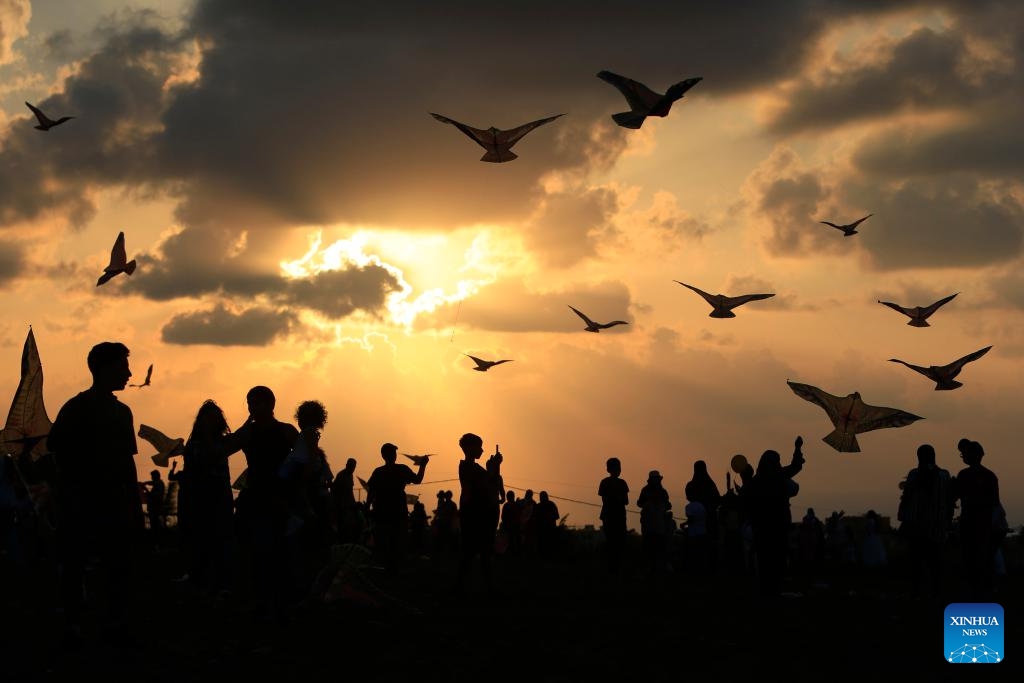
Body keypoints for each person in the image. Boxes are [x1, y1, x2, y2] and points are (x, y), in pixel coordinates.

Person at [47, 342, 142, 645]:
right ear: (103, 369)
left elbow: (128, 464)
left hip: (112, 504)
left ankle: (112, 624)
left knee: (116, 569)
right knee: (76, 566)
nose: (129, 373)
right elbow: (57, 454)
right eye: (122, 366)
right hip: (82, 504)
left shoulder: (121, 412)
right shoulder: (76, 409)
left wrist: (133, 505)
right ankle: (74, 624)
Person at [233, 385, 298, 621]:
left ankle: (280, 604)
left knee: (281, 554)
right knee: (258, 554)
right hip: (257, 499)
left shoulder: (287, 431)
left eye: (255, 402)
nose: (251, 407)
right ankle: (263, 604)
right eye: (249, 402)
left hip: (281, 500)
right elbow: (225, 447)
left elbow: (306, 461)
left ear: (270, 404)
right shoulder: (248, 433)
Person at [177, 400, 244, 594]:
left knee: (221, 546)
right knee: (202, 547)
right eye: (209, 419)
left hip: (219, 502)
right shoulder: (195, 446)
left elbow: (236, 441)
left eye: (215, 419)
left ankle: (217, 586)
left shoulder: (220, 442)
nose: (212, 423)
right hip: (199, 504)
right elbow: (214, 455)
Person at [746, 436, 804, 597]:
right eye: (777, 461)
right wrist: (797, 448)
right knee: (777, 561)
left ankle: (765, 591)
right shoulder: (779, 477)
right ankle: (774, 591)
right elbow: (795, 467)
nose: (779, 464)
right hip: (778, 527)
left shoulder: (756, 482)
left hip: (762, 529)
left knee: (765, 562)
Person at [896, 444, 953, 599]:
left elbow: (907, 499)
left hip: (918, 525)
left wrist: (903, 517)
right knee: (934, 561)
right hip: (936, 526)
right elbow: (949, 501)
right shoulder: (944, 475)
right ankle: (935, 590)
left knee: (917, 561)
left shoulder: (914, 474)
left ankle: (918, 590)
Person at [953, 439, 1002, 599]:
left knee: (972, 557)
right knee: (982, 557)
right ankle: (982, 588)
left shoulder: (965, 475)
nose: (963, 456)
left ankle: (977, 588)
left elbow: (956, 495)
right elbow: (995, 502)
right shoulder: (989, 475)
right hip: (982, 522)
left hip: (974, 521)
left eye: (965, 453)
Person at [366, 442, 427, 570]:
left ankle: (390, 569)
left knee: (387, 544)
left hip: (383, 513)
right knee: (396, 543)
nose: (394, 455)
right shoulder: (401, 469)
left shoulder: (378, 472)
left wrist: (368, 509)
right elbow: (417, 480)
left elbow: (371, 493)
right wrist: (423, 465)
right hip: (397, 513)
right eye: (393, 453)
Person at [455, 433, 502, 593]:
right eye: (479, 446)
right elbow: (479, 487)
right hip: (473, 515)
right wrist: (491, 470)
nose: (481, 450)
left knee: (482, 552)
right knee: (472, 552)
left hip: (479, 514)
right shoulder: (466, 467)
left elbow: (492, 484)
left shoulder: (474, 468)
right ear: (469, 448)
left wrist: (495, 468)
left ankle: (477, 586)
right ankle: (465, 586)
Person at [685, 460, 721, 571]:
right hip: (710, 520)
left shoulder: (691, 485)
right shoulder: (710, 484)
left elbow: (689, 497)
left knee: (695, 549)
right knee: (709, 546)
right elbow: (717, 499)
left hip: (695, 523)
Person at [637, 470, 672, 580]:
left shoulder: (662, 492)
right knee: (649, 548)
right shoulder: (647, 491)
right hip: (649, 525)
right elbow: (640, 503)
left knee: (659, 548)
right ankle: (649, 570)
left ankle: (658, 570)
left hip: (659, 525)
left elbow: (668, 505)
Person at [598, 457, 629, 576]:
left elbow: (625, 501)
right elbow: (607, 500)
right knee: (613, 543)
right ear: (610, 469)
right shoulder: (607, 482)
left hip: (617, 516)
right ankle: (613, 569)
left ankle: (616, 569)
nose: (619, 470)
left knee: (618, 543)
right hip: (611, 516)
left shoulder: (619, 483)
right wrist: (617, 499)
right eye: (617, 467)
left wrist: (615, 499)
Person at [331, 458, 358, 544]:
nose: (352, 469)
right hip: (340, 506)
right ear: (347, 465)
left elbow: (350, 491)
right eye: (351, 466)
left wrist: (354, 504)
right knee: (342, 527)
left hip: (347, 505)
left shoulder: (350, 475)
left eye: (354, 467)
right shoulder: (341, 475)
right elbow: (335, 490)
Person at [141, 469, 167, 540]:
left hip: (155, 508)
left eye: (152, 476)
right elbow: (152, 483)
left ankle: (156, 539)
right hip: (155, 508)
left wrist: (145, 489)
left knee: (155, 525)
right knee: (155, 524)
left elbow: (153, 496)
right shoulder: (159, 483)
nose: (151, 478)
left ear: (155, 476)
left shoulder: (159, 484)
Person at [535, 491, 560, 559]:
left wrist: (548, 517)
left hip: (550, 531)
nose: (541, 498)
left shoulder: (551, 505)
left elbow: (556, 516)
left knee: (549, 548)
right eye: (541, 497)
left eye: (542, 497)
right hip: (541, 532)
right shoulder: (538, 506)